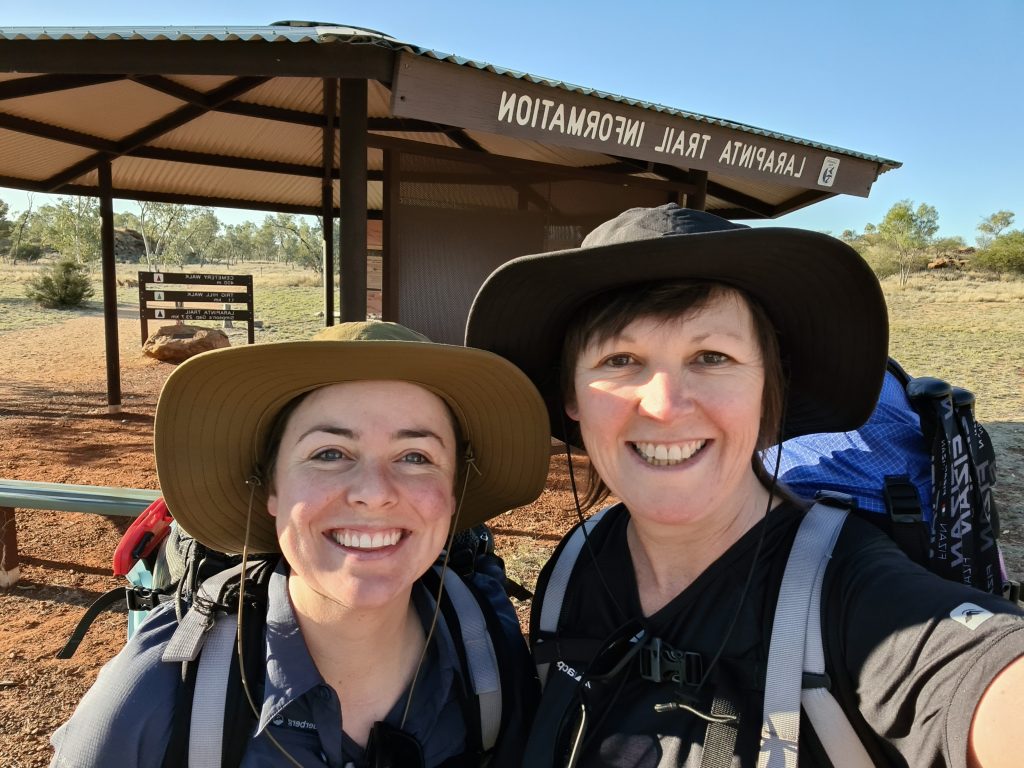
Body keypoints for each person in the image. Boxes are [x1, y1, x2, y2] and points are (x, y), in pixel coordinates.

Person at [465, 204, 1024, 767]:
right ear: (572, 398)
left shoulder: (854, 596)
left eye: (712, 357)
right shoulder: (574, 571)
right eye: (621, 358)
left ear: (768, 391)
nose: (664, 406)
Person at [51, 320, 551, 767]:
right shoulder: (154, 695)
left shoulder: (488, 657)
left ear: (453, 491)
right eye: (329, 452)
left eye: (416, 456)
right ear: (270, 487)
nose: (374, 493)